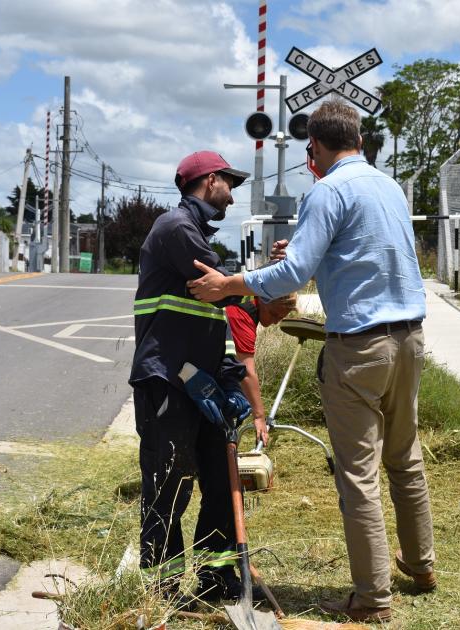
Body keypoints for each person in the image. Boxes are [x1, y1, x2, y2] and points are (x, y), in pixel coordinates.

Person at [187, 100, 436, 624]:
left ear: (314, 148)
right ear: (361, 142)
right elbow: (367, 254)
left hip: (361, 346)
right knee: (405, 457)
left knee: (359, 473)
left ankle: (372, 599)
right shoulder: (389, 187)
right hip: (410, 338)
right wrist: (302, 251)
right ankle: (420, 566)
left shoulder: (327, 190)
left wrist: (228, 284)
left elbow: (292, 275)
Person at [129, 150, 265, 605]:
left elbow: (215, 317)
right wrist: (264, 297)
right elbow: (224, 287)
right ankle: (164, 591)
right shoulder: (176, 229)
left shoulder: (194, 234)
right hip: (167, 382)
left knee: (221, 486)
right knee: (169, 487)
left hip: (201, 386)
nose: (233, 190)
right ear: (209, 181)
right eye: (230, 181)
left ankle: (216, 580)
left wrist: (228, 378)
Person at [226, 293, 298, 445]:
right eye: (274, 314)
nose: (275, 321)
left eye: (281, 318)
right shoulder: (241, 314)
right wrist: (259, 416)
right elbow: (246, 371)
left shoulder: (249, 299)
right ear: (263, 299)